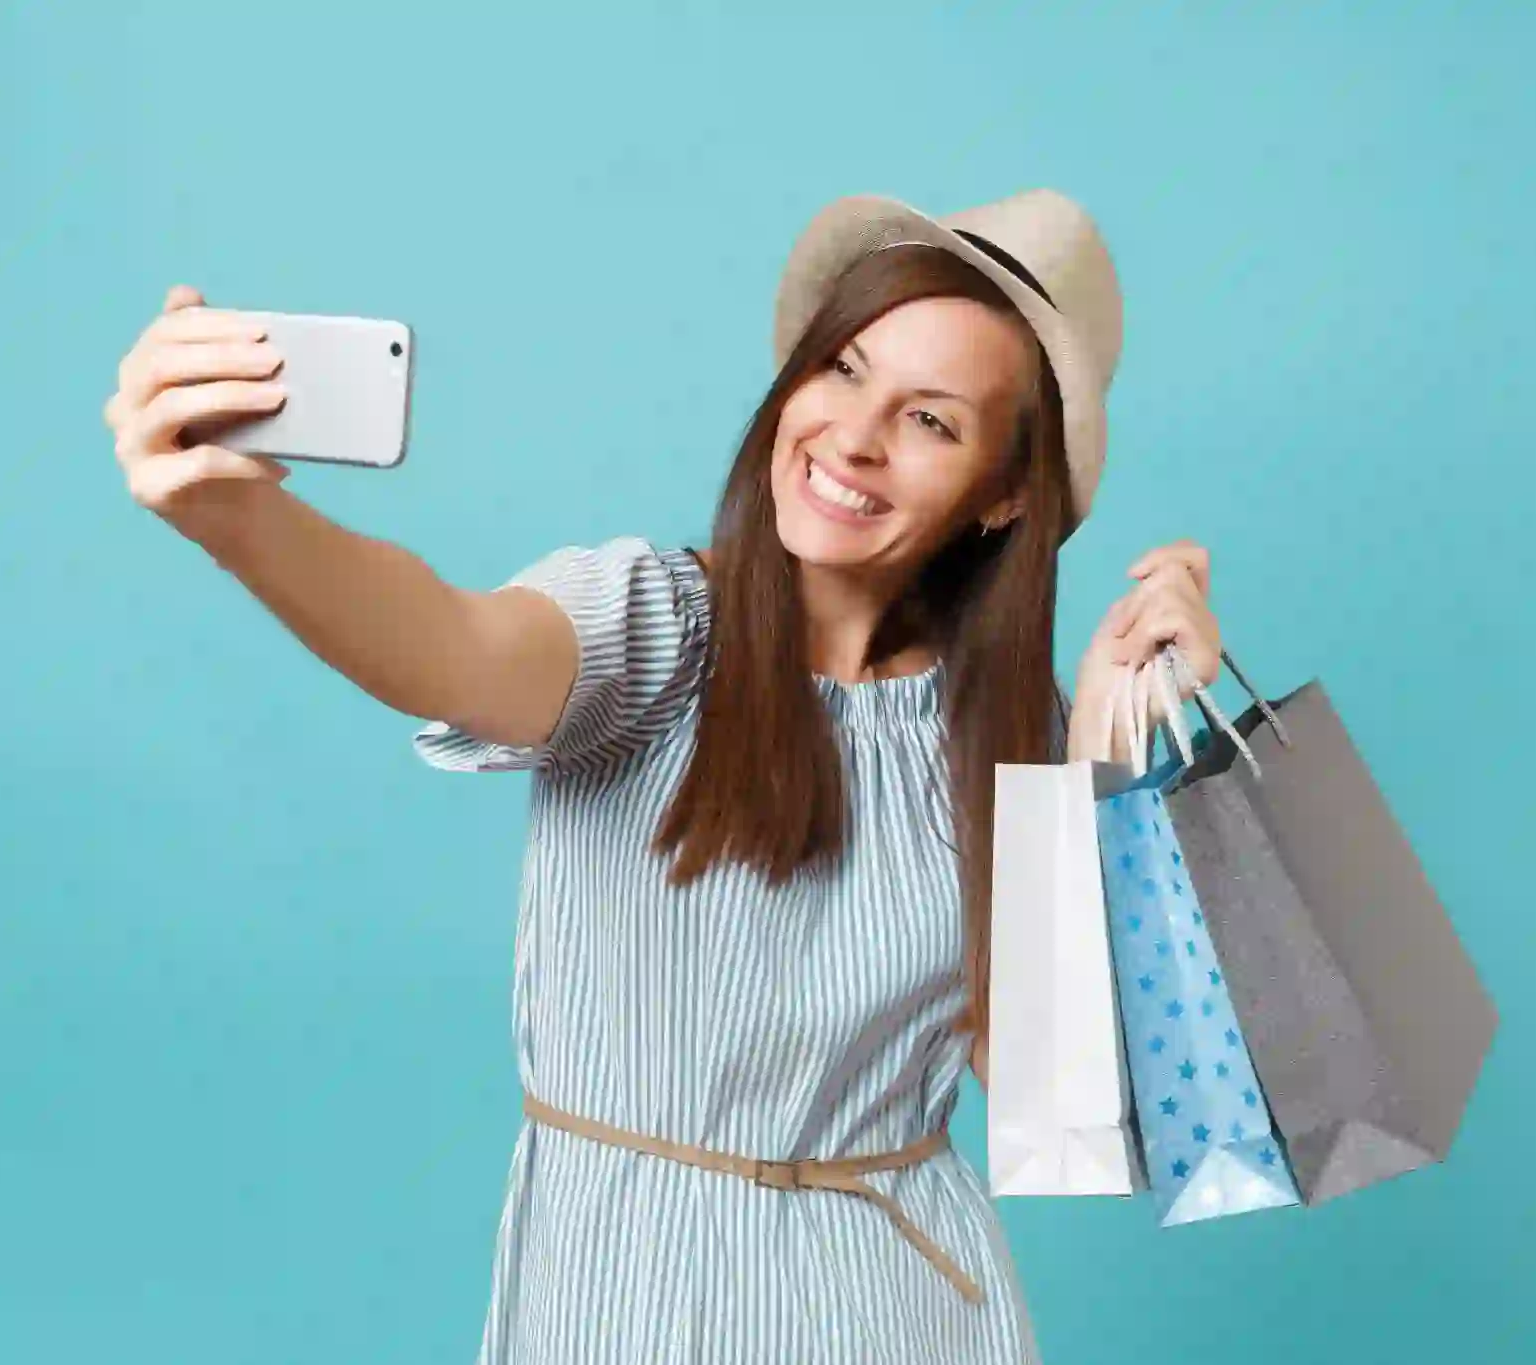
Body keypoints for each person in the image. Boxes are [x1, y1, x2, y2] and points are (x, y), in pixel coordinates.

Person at [100, 188, 1224, 1364]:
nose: (852, 436)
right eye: (841, 370)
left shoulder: (1002, 726)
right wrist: (238, 521)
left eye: (931, 421)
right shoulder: (654, 625)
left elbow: (1054, 1120)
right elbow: (451, 647)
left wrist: (1100, 739)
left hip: (901, 1314)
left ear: (1003, 494)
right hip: (620, 1305)